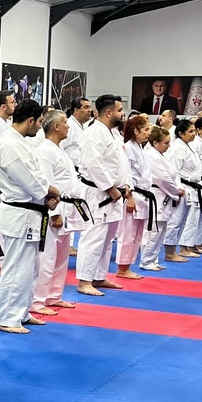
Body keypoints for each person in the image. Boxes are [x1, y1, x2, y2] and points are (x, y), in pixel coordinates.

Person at [0, 99, 59, 334]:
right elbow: (30, 180)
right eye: (39, 122)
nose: (40, 127)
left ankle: (21, 311)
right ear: (30, 120)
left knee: (30, 267)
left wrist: (48, 193)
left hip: (30, 212)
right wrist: (51, 191)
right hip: (19, 214)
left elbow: (38, 176)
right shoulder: (10, 144)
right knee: (16, 267)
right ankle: (6, 317)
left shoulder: (21, 142)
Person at [31, 109, 87, 314]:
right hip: (54, 209)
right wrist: (54, 214)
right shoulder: (45, 150)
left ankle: (54, 296)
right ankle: (37, 301)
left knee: (61, 257)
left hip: (67, 206)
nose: (68, 126)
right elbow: (46, 183)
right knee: (47, 257)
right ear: (55, 126)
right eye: (64, 122)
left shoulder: (58, 148)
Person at [75, 95, 129, 296]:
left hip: (114, 192)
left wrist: (126, 185)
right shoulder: (93, 133)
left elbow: (121, 163)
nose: (122, 113)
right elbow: (93, 164)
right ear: (108, 112)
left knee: (107, 239)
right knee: (94, 237)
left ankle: (98, 276)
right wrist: (110, 187)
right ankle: (84, 281)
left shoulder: (113, 133)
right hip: (98, 193)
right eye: (119, 110)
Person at [138, 126, 183, 272]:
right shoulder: (152, 156)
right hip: (157, 196)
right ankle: (146, 261)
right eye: (166, 143)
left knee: (160, 231)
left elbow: (173, 175)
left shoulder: (160, 155)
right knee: (153, 231)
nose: (168, 146)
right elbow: (163, 179)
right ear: (155, 143)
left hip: (164, 195)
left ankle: (153, 259)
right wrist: (176, 192)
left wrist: (177, 189)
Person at [114, 114, 153, 281]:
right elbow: (127, 174)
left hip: (143, 194)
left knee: (137, 235)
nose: (148, 133)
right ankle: (122, 268)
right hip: (133, 194)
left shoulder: (140, 148)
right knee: (127, 234)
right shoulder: (128, 148)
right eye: (146, 129)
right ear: (136, 131)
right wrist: (129, 197)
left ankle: (128, 266)